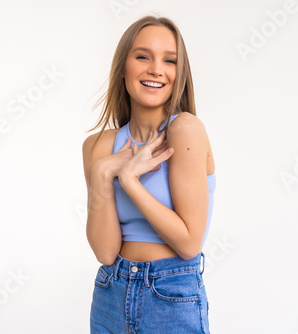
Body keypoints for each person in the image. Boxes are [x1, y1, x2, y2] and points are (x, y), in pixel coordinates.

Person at [82, 15, 216, 333]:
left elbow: (188, 243)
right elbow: (105, 251)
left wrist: (129, 180)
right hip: (110, 293)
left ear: (179, 73)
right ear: (124, 66)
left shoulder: (184, 130)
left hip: (170, 293)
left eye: (169, 61)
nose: (156, 69)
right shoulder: (98, 146)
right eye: (143, 56)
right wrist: (103, 172)